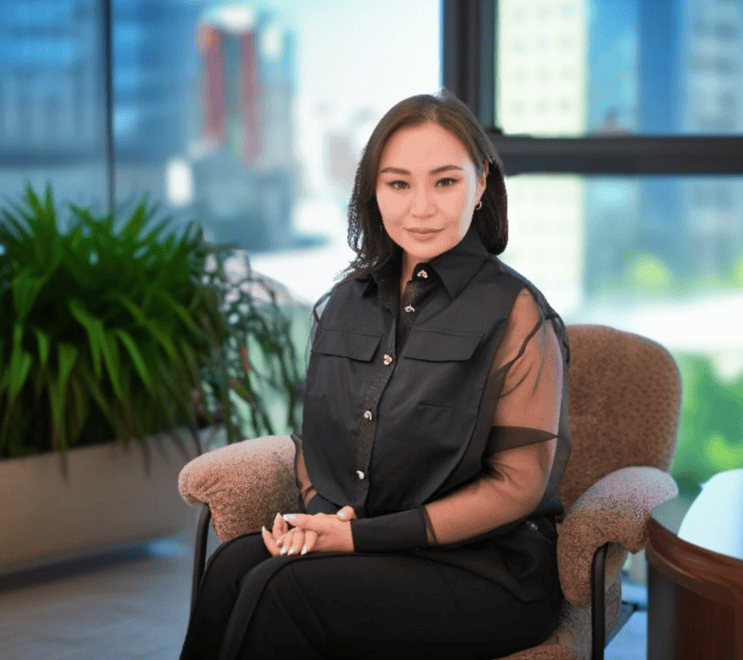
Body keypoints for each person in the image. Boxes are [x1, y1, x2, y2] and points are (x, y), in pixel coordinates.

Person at [179, 89, 571, 659]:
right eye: (399, 184)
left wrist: (356, 537)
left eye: (445, 182)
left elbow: (518, 486)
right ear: (373, 190)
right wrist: (323, 520)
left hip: (488, 568)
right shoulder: (345, 303)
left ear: (481, 182)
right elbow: (318, 442)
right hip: (369, 544)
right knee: (234, 565)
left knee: (282, 590)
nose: (421, 208)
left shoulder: (516, 312)